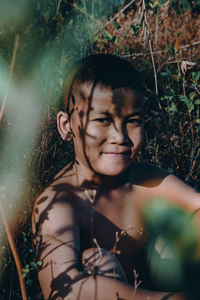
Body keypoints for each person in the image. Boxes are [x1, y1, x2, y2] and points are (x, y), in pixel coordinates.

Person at [32, 54, 200, 300]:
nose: (119, 136)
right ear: (66, 126)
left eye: (132, 121)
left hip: (159, 287)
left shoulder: (143, 179)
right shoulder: (59, 203)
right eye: (102, 120)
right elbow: (61, 291)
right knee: (97, 261)